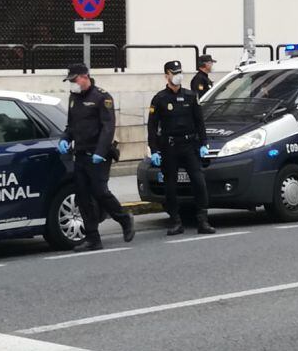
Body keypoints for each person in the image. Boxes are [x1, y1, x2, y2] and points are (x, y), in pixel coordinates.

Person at [58, 63, 135, 251]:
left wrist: (101, 152)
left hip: (98, 154)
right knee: (83, 196)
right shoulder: (73, 97)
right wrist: (65, 139)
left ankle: (124, 219)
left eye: (74, 80)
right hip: (81, 153)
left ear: (85, 77)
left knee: (100, 192)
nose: (72, 84)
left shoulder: (101, 97)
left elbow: (108, 128)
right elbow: (71, 125)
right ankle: (92, 237)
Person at [147, 60, 215, 236]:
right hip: (169, 147)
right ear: (166, 75)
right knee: (170, 186)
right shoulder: (160, 99)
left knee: (199, 182)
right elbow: (152, 127)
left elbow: (200, 122)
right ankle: (176, 221)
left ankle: (203, 220)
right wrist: (154, 150)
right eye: (174, 72)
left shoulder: (191, 96)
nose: (178, 75)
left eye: (179, 72)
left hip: (189, 145)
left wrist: (203, 144)